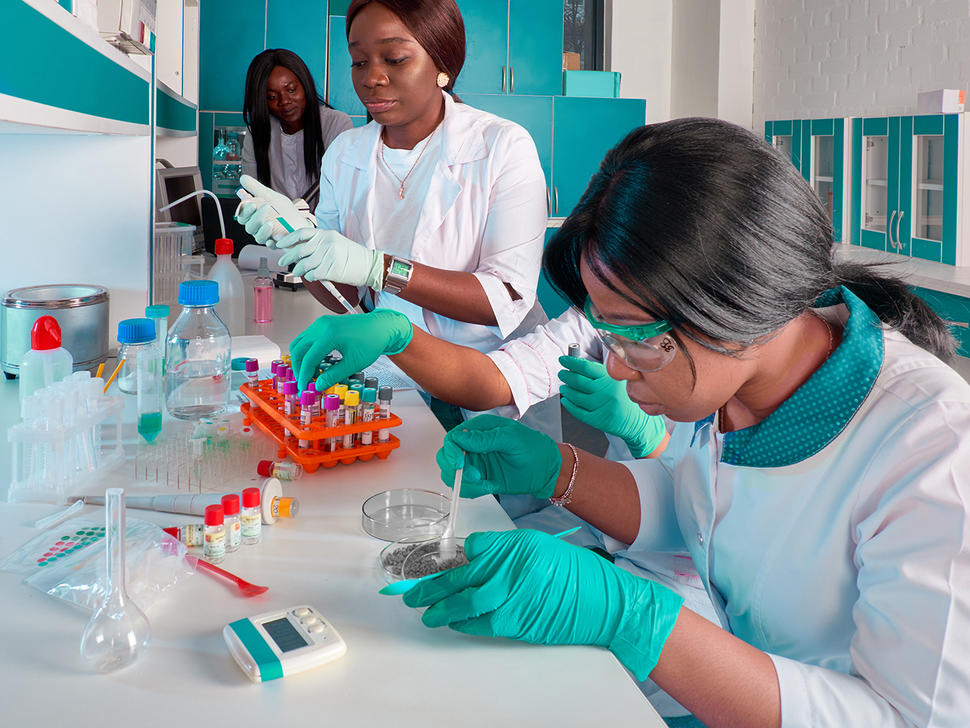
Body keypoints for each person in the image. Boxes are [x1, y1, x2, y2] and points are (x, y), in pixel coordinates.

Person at [397, 118, 970, 727]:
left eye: (635, 340)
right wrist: (554, 471)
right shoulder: (731, 379)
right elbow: (697, 502)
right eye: (607, 335)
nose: (616, 370)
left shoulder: (930, 447)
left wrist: (628, 615)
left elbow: (909, 718)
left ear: (734, 304)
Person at [236, 0, 552, 434]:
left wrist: (377, 268)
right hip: (400, 374)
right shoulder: (347, 154)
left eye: (395, 58)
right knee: (413, 491)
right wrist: (299, 245)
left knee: (511, 500)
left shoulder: (502, 146)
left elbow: (505, 298)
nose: (372, 78)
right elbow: (349, 298)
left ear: (442, 61)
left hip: (494, 371)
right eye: (359, 61)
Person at [241, 48, 353, 210]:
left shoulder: (337, 124)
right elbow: (251, 193)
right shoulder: (257, 132)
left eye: (291, 90)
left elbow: (340, 197)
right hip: (275, 229)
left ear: (305, 85)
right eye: (272, 97)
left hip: (324, 229)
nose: (284, 101)